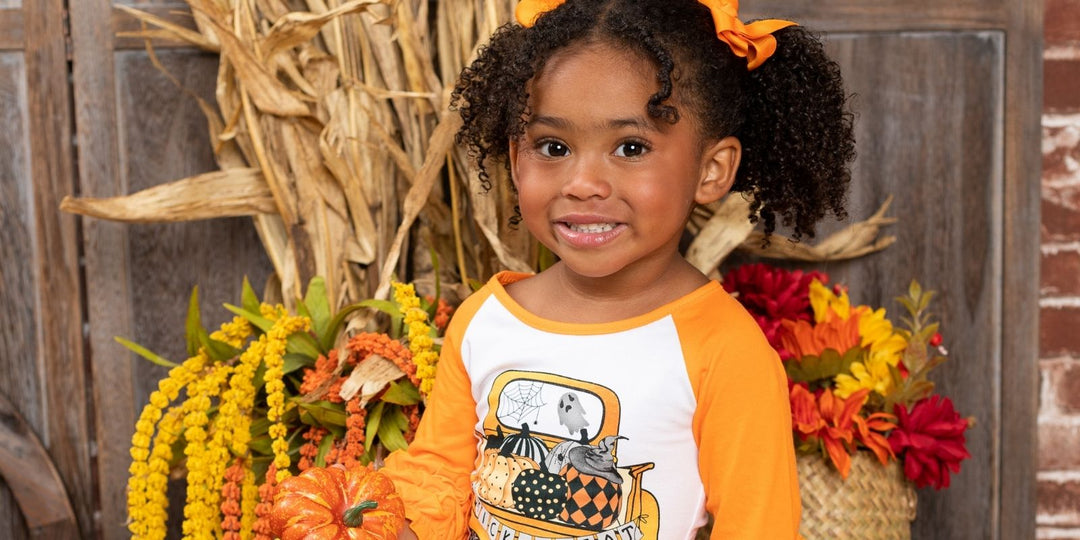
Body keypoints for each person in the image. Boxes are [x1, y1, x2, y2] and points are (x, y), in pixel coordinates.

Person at [383, 0, 855, 538]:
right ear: (516, 160)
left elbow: (757, 527)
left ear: (711, 169)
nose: (583, 183)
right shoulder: (486, 320)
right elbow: (439, 477)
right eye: (553, 147)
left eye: (630, 148)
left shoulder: (724, 350)